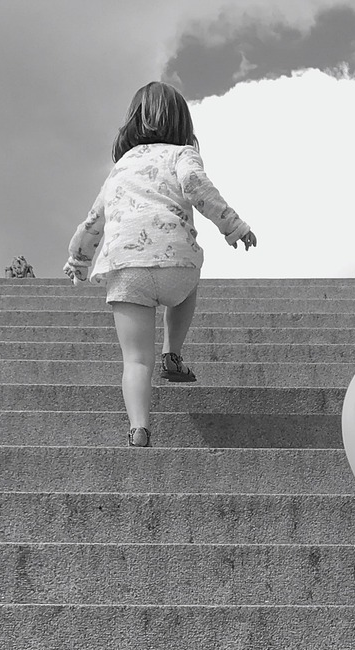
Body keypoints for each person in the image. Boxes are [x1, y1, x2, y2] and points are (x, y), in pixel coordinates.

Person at [64, 81, 257, 448]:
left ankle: (139, 429)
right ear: (182, 122)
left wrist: (79, 260)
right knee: (189, 282)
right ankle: (173, 352)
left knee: (136, 360)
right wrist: (233, 226)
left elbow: (94, 220)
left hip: (126, 269)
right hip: (175, 264)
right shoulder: (182, 154)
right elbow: (198, 188)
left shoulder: (120, 168)